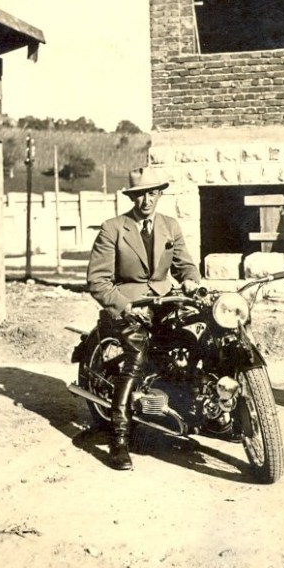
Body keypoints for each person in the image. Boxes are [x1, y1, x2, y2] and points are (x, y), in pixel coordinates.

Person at [87, 166, 200, 470]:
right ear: (132, 197)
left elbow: (185, 265)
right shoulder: (113, 228)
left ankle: (195, 412)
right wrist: (125, 306)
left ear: (160, 193)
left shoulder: (170, 226)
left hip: (164, 303)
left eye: (152, 193)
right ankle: (119, 440)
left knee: (196, 339)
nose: (146, 200)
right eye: (139, 195)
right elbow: (98, 281)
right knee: (137, 355)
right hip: (127, 306)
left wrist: (190, 280)